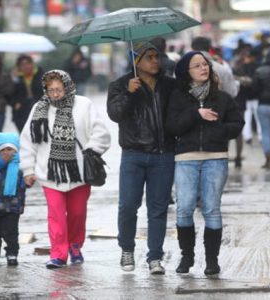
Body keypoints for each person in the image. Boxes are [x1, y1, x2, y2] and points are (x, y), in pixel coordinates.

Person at [20, 70, 110, 269]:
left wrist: (91, 150)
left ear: (68, 87)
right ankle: (58, 254)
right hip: (49, 174)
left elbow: (101, 133)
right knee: (56, 215)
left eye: (59, 89)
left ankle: (75, 245)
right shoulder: (39, 109)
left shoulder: (84, 105)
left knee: (77, 213)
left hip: (79, 173)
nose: (55, 94)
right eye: (50, 90)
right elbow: (28, 141)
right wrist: (28, 169)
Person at [166, 51, 244, 276]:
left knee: (212, 209)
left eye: (205, 64)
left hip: (215, 158)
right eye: (197, 66)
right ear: (186, 72)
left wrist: (219, 131)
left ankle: (212, 261)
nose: (203, 68)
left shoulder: (222, 98)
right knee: (184, 208)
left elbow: (237, 123)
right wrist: (196, 113)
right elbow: (172, 127)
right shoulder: (178, 98)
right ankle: (187, 257)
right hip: (186, 159)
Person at [107, 41, 175, 275]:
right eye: (149, 57)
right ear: (136, 61)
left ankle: (155, 257)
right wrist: (129, 92)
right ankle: (127, 249)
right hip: (133, 154)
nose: (155, 61)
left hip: (163, 155)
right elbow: (115, 114)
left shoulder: (169, 85)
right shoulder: (119, 85)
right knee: (127, 206)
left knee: (158, 209)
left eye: (157, 56)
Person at [0, 132, 26, 267]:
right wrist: (1, 161)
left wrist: (27, 181)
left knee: (11, 232)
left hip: (13, 207)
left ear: (16, 150)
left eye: (10, 149)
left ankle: (12, 253)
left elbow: (26, 182)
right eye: (3, 150)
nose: (6, 153)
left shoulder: (21, 165)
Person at [11, 54, 44, 132]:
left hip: (38, 108)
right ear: (19, 67)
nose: (26, 66)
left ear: (32, 63)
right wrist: (14, 79)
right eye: (22, 65)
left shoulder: (41, 75)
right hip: (21, 111)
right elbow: (11, 93)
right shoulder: (17, 78)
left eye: (28, 63)